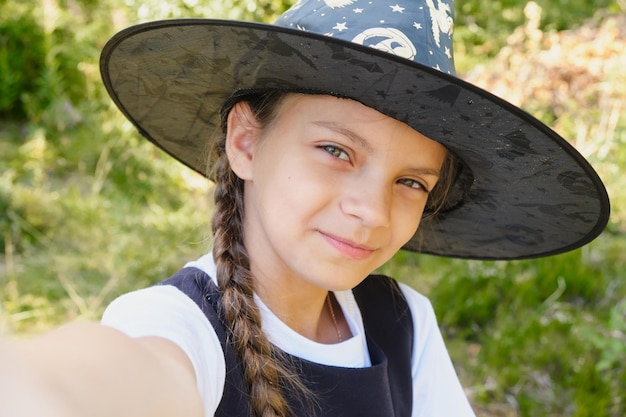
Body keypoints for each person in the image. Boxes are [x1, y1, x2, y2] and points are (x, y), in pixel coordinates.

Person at [2, 0, 610, 416]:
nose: (371, 210)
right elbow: (107, 377)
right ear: (246, 140)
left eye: (411, 182)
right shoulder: (180, 326)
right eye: (335, 150)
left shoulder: (401, 324)